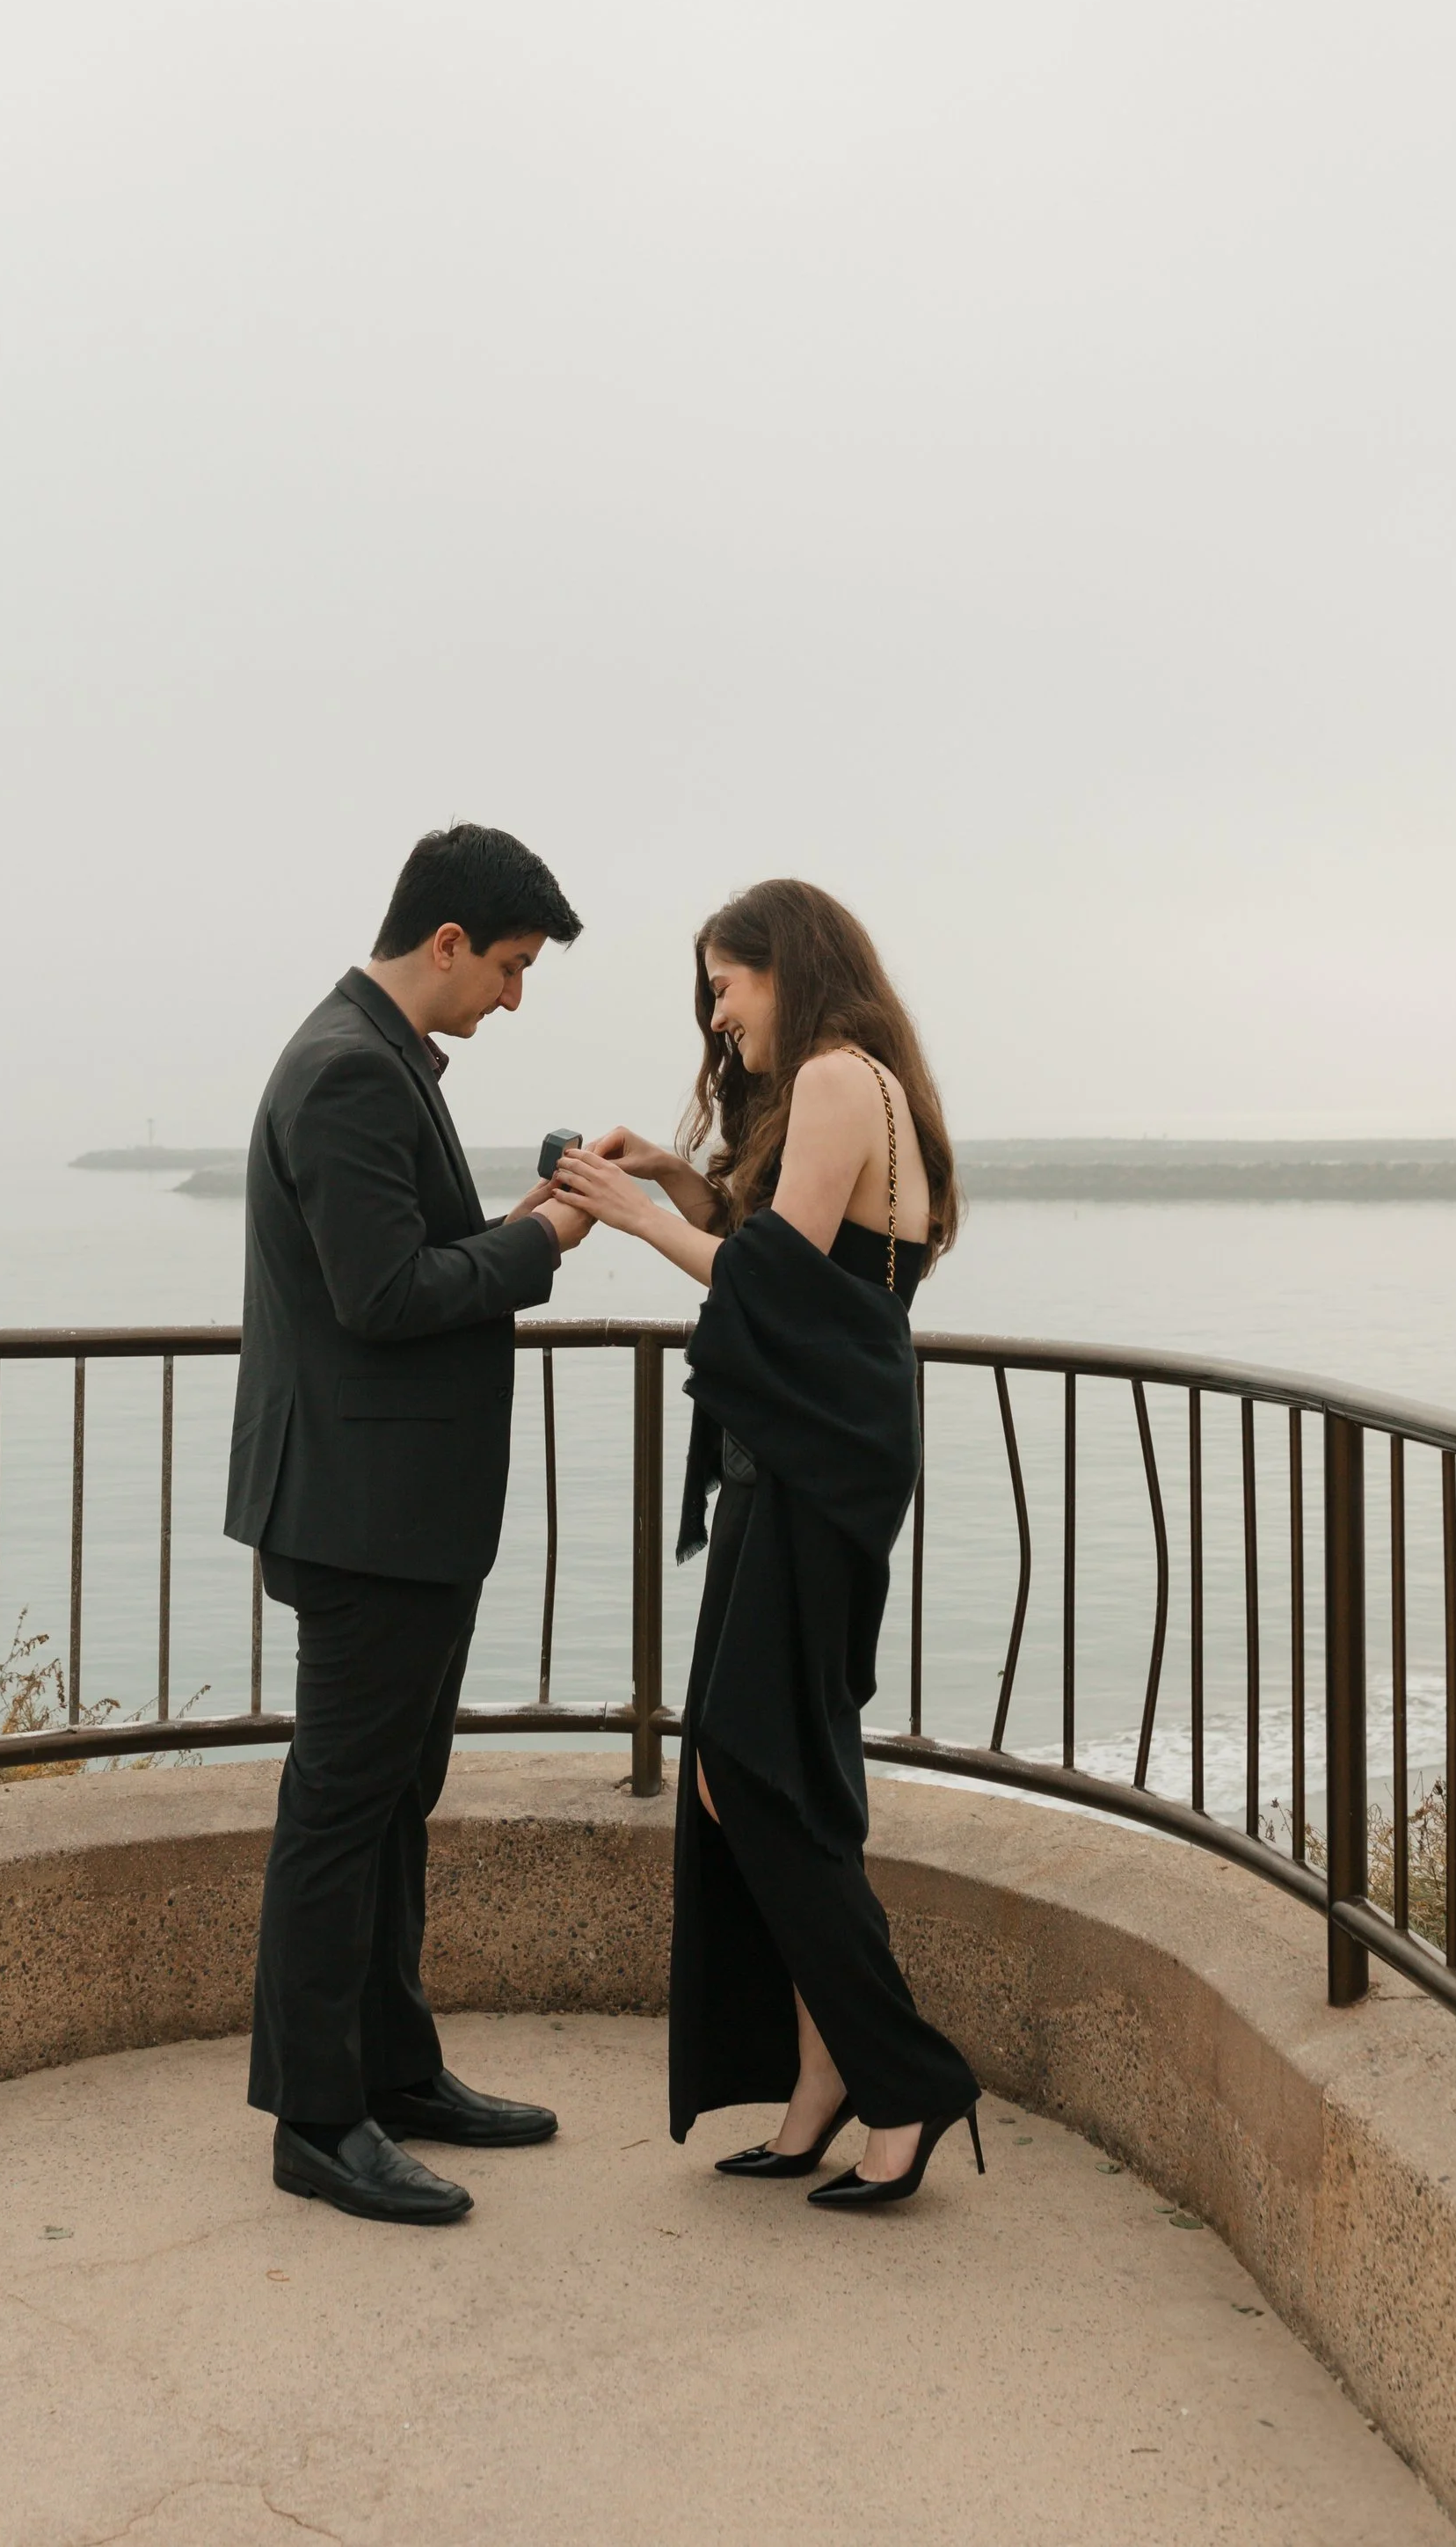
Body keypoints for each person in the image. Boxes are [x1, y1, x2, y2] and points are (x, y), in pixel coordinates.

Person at [546, 878, 984, 2210]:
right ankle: (824, 2083)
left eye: (725, 985)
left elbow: (765, 1284)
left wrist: (635, 1215)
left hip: (814, 1463)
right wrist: (680, 1178)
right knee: (779, 1761)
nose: (716, 1014)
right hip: (811, 1449)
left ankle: (898, 2075)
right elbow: (792, 1249)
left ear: (784, 969)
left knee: (752, 1764)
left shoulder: (844, 1078)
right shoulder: (856, 1084)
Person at [226, 822, 593, 2225]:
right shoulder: (344, 1074)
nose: (513, 996)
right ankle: (319, 2119)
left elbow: (404, 1263)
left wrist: (520, 1217)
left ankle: (392, 2066)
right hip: (365, 1517)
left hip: (399, 1515)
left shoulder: (377, 1061)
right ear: (446, 942)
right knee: (340, 1809)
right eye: (508, 967)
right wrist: (545, 1243)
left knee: (390, 1803)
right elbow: (382, 1297)